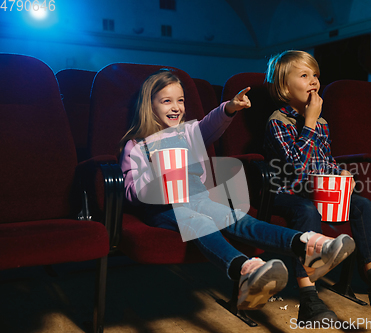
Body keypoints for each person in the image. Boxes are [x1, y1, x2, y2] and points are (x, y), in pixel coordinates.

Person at [119, 69, 356, 311]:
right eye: (166, 101)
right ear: (150, 105)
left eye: (180, 100)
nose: (176, 107)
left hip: (197, 197)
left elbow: (209, 123)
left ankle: (309, 246)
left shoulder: (187, 133)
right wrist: (161, 183)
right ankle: (245, 270)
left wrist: (230, 107)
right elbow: (130, 191)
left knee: (239, 219)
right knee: (199, 222)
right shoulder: (137, 145)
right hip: (163, 207)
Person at [264, 50, 371, 322]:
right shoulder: (278, 121)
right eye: (304, 75)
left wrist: (340, 173)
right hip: (285, 193)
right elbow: (295, 167)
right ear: (283, 86)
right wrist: (310, 121)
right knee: (307, 210)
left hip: (316, 191)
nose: (313, 81)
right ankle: (308, 299)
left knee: (360, 203)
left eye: (316, 75)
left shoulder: (322, 123)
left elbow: (324, 162)